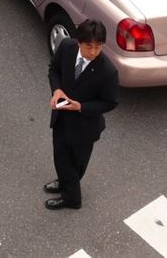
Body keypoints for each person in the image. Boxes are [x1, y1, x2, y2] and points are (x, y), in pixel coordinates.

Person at [44, 19, 119, 210]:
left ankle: (72, 199)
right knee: (60, 156)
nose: (93, 52)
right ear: (79, 42)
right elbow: (54, 70)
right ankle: (65, 183)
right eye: (88, 46)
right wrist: (57, 90)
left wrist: (81, 107)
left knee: (76, 164)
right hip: (61, 117)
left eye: (98, 47)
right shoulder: (67, 47)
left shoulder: (108, 71)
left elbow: (110, 102)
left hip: (85, 128)